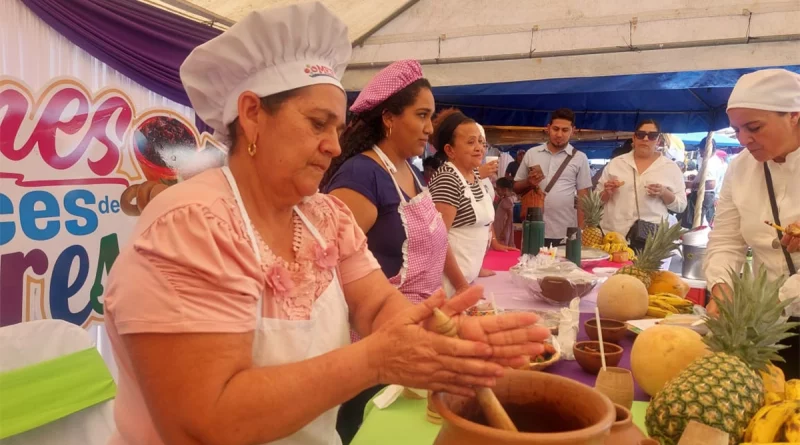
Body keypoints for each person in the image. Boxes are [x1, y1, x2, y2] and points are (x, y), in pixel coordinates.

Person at [101, 6, 549, 445]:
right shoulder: (189, 227)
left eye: (337, 127)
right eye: (319, 123)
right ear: (253, 113)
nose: (334, 147)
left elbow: (375, 306)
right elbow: (207, 420)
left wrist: (439, 335)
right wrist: (373, 361)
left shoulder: (322, 217)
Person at [320, 59, 468, 442]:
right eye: (421, 115)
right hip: (374, 347)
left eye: (431, 116)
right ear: (388, 118)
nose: (430, 128)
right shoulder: (360, 175)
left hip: (414, 335)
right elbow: (329, 271)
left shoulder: (410, 171)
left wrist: (461, 290)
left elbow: (436, 236)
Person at [705, 68, 800, 379]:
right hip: (768, 328)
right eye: (737, 131)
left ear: (794, 116)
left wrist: (775, 302)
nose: (745, 139)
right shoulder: (740, 168)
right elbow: (726, 240)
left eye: (754, 127)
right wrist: (721, 288)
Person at [428, 109, 497, 296]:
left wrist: (476, 270)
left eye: (481, 142)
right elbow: (438, 240)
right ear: (450, 150)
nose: (479, 148)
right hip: (447, 285)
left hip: (467, 277)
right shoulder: (447, 179)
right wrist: (461, 285)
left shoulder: (474, 175)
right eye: (470, 142)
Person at [513, 108, 593, 246]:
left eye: (565, 130)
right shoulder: (532, 153)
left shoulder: (580, 158)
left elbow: (583, 198)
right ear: (548, 128)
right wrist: (529, 182)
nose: (559, 134)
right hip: (533, 228)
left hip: (565, 231)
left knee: (564, 268)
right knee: (531, 266)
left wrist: (581, 231)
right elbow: (516, 187)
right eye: (556, 129)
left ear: (573, 131)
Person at [597, 120, 687, 242]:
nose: (645, 139)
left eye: (652, 136)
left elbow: (681, 206)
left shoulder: (670, 168)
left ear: (658, 140)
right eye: (641, 134)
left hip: (649, 239)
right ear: (634, 138)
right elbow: (595, 201)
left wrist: (664, 193)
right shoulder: (616, 164)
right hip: (613, 235)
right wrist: (606, 193)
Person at [493, 178, 516, 249]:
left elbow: (510, 216)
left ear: (505, 190)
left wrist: (504, 230)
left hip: (502, 227)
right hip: (501, 225)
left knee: (502, 243)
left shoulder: (507, 201)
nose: (497, 191)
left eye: (498, 189)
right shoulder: (505, 199)